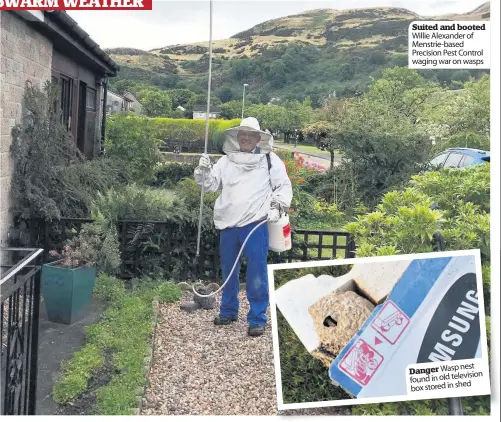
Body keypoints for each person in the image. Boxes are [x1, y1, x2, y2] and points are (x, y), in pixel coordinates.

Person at [194, 117, 293, 337]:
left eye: (251, 135)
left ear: (258, 138)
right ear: (237, 138)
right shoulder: (226, 162)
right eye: (243, 134)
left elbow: (283, 186)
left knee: (256, 272)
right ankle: (228, 312)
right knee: (228, 271)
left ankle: (257, 318)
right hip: (228, 224)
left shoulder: (270, 160)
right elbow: (210, 185)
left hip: (255, 225)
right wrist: (203, 171)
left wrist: (278, 206)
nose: (246, 138)